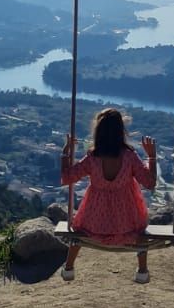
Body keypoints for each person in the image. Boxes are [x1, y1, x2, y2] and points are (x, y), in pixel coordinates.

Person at [60, 108, 158, 284]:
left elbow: (67, 177)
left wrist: (65, 153)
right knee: (141, 228)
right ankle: (142, 271)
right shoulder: (129, 157)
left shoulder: (92, 158)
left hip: (94, 224)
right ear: (121, 131)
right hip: (126, 225)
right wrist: (152, 157)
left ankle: (69, 268)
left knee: (77, 229)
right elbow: (150, 183)